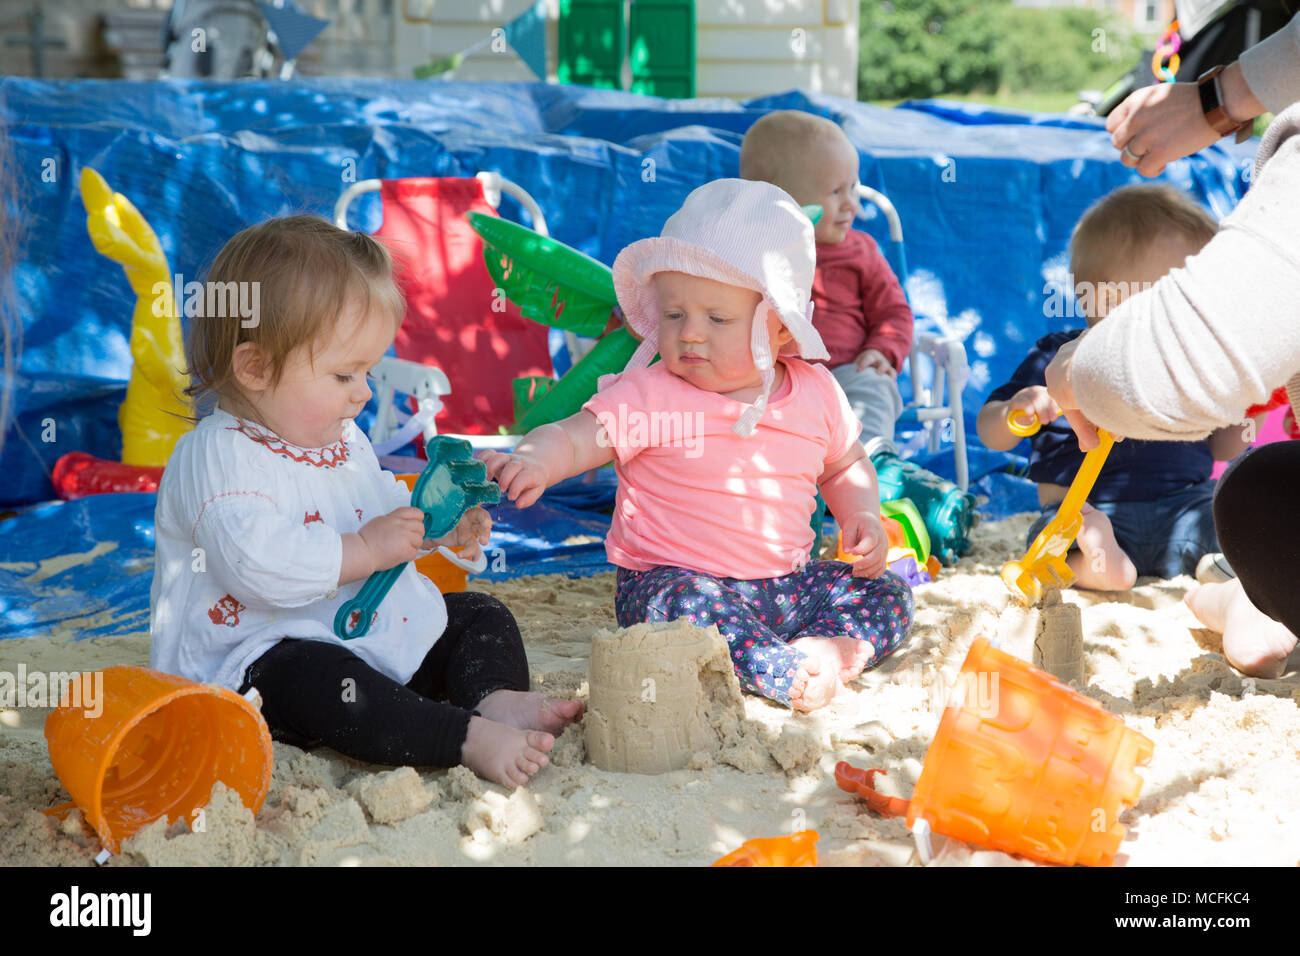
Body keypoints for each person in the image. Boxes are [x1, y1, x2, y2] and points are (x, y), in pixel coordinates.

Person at [149, 215, 582, 787]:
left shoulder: (340, 437)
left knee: (479, 615)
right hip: (257, 665)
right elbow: (256, 565)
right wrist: (363, 548)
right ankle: (463, 738)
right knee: (316, 675)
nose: (365, 392)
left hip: (361, 630)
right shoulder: (217, 457)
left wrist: (440, 531)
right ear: (254, 368)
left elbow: (383, 512)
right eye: (344, 374)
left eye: (369, 370)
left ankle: (494, 701)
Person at [482, 179, 914, 712]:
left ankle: (828, 648)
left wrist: (864, 514)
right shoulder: (653, 392)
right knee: (684, 608)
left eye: (717, 318)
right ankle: (780, 668)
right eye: (674, 315)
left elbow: (845, 463)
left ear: (780, 327)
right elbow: (576, 437)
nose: (690, 334)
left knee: (886, 591)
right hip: (673, 581)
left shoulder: (817, 391)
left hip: (785, 585)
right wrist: (533, 460)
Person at [1046, 76, 1300, 676]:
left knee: (1240, 501)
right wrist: (1226, 95)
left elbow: (1190, 363)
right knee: (1249, 495)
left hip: (1183, 513)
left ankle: (1234, 597)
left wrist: (1079, 373)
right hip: (1118, 514)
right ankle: (1233, 596)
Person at [978, 184, 1258, 589]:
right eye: (1182, 296)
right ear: (1111, 301)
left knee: (1230, 511)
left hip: (1184, 508)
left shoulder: (1192, 364)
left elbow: (1223, 449)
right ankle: (1104, 563)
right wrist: (1016, 410)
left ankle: (1210, 564)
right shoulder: (1056, 358)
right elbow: (992, 435)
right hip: (1086, 509)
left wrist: (1247, 405)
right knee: (1052, 540)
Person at [739, 110, 914, 459]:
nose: (852, 202)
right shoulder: (749, 250)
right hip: (773, 377)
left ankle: (870, 463)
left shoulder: (861, 250)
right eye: (836, 191)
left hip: (846, 374)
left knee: (872, 387)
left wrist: (882, 349)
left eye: (853, 186)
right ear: (779, 200)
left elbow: (894, 311)